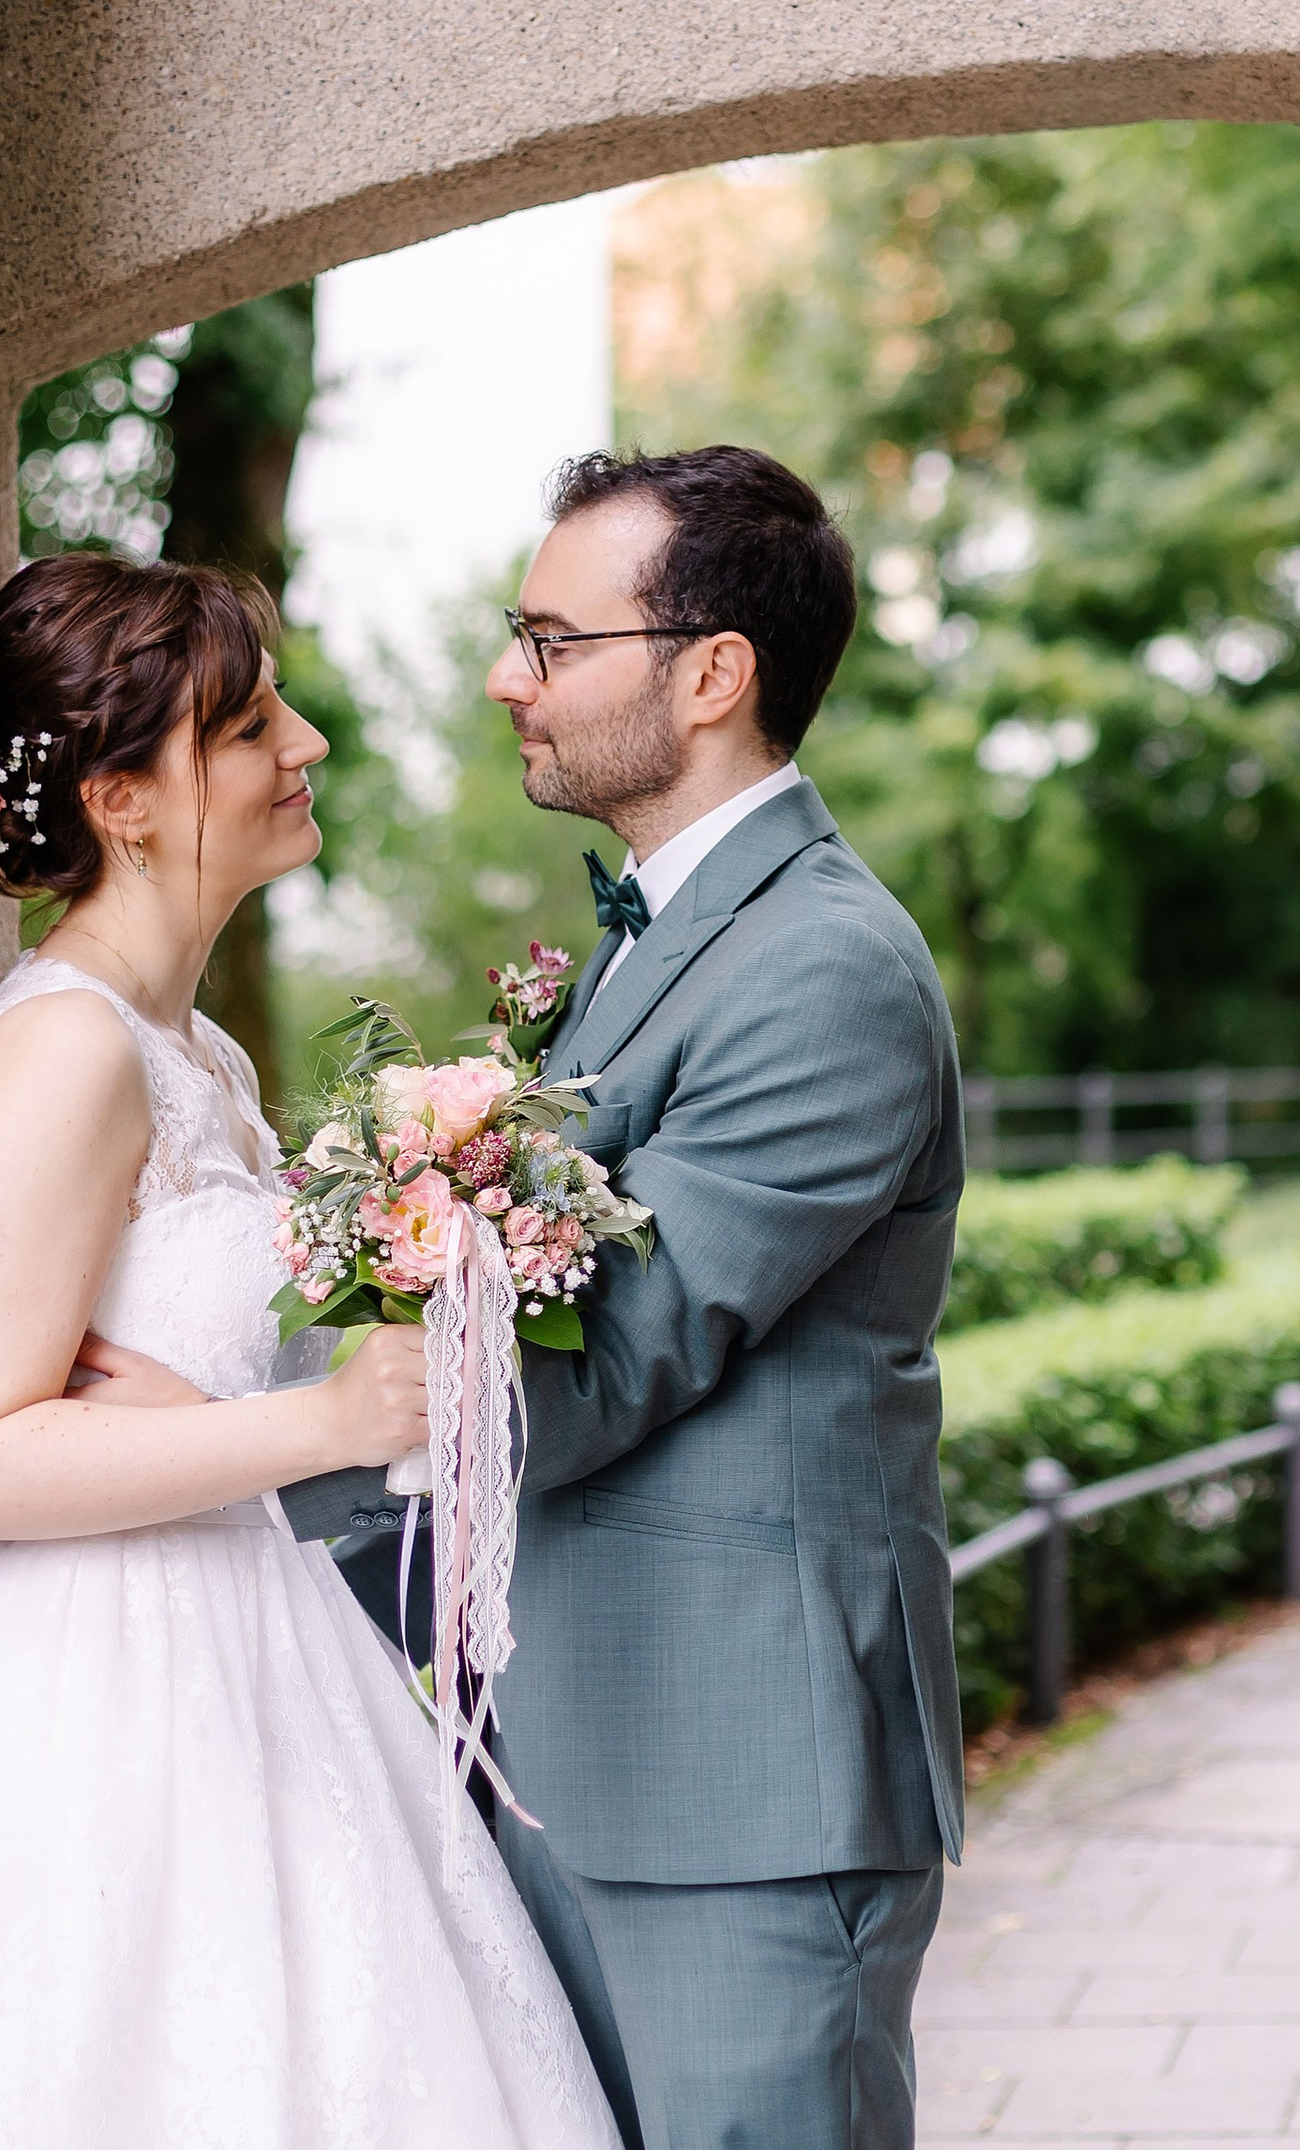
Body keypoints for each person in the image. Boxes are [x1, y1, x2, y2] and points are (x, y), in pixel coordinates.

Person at [284, 445, 968, 2150]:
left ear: (711, 672)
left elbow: (616, 1353)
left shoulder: (821, 965)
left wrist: (230, 1441)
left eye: (549, 639)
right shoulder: (658, 943)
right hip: (587, 1749)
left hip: (743, 1788)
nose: (506, 678)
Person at [0, 554, 623, 2150]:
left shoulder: (199, 1053)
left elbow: (200, 1387)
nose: (305, 746)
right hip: (113, 1681)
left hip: (248, 1633)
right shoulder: (65, 1052)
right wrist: (322, 1422)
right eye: (247, 725)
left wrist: (281, 1406)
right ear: (123, 800)